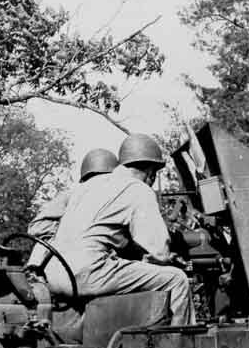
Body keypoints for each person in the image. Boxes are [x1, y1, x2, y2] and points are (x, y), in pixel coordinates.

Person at [43, 133, 193, 326]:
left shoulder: (86, 186)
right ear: (150, 172)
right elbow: (159, 250)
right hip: (86, 274)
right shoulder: (138, 189)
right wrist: (167, 257)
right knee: (177, 280)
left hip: (54, 274)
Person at [25, 147, 119, 269]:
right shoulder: (71, 195)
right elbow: (37, 227)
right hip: (55, 259)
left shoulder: (111, 200)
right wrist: (66, 232)